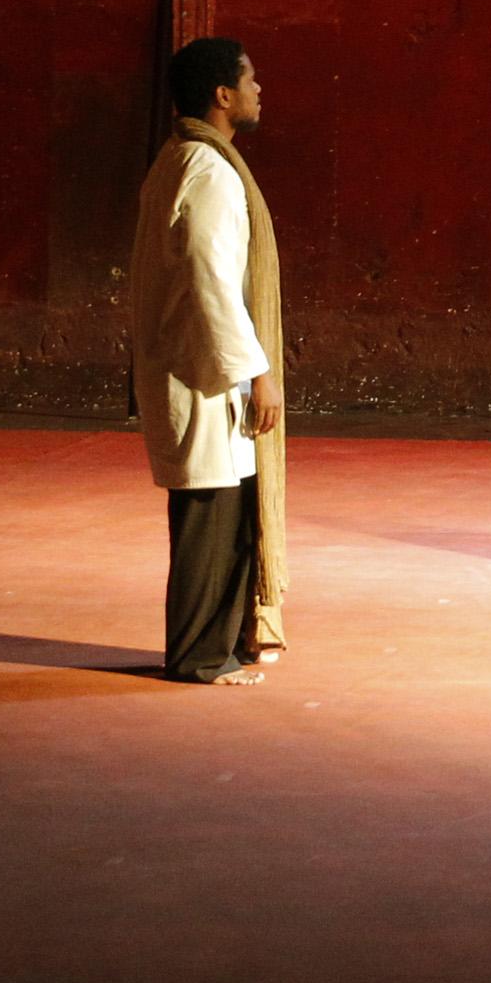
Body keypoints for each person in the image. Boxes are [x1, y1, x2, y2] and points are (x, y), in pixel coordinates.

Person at [129, 38, 288, 684]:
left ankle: (216, 648)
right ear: (222, 95)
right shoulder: (210, 172)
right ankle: (199, 654)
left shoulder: (180, 160)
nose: (258, 89)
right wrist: (256, 369)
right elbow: (208, 277)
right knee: (209, 520)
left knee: (221, 515)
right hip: (204, 376)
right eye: (249, 78)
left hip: (195, 367)